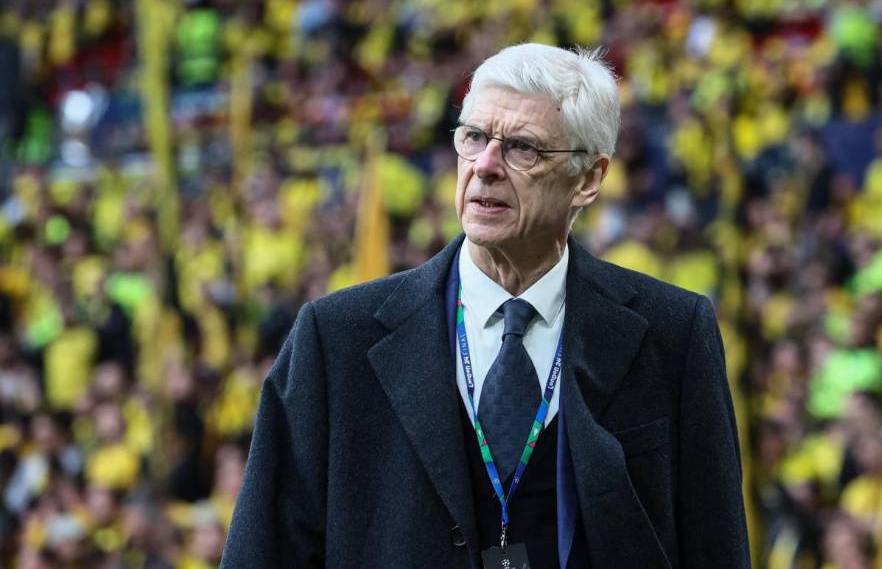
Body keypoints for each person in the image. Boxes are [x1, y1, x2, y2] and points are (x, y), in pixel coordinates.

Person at [221, 43, 750, 568]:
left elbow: (716, 547)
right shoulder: (335, 339)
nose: (486, 165)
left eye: (523, 148)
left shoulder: (674, 335)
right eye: (473, 137)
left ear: (589, 179)